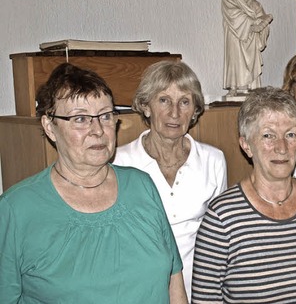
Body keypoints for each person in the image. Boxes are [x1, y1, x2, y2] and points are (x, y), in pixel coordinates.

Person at [0, 63, 187, 303]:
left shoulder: (142, 185)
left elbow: (174, 279)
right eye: (80, 118)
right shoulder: (15, 210)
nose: (98, 130)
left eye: (106, 116)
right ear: (50, 127)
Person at [191, 87, 296, 303]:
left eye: (290, 135)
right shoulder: (222, 218)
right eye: (268, 135)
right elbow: (206, 299)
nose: (282, 147)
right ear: (246, 145)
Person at [113, 61, 227, 300]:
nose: (174, 112)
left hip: (200, 289)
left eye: (184, 102)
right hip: (139, 290)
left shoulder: (213, 160)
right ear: (146, 107)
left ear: (194, 111)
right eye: (164, 100)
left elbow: (220, 240)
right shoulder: (120, 162)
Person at [222, 0, 273, 96]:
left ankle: (252, 88)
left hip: (252, 39)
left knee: (252, 62)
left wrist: (263, 24)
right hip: (235, 37)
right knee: (235, 60)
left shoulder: (255, 3)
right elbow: (234, 15)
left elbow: (262, 19)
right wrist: (254, 22)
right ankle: (234, 86)